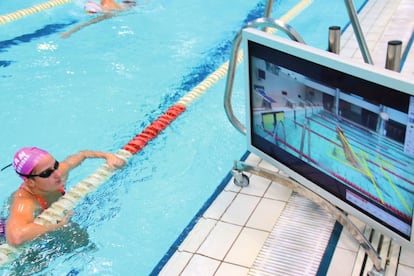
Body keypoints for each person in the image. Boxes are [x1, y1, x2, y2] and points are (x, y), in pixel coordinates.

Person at [5, 147, 125, 246]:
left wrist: (107, 156)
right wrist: (56, 227)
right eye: (47, 173)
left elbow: (83, 154)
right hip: (8, 230)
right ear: (30, 182)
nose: (57, 174)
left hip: (55, 215)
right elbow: (16, 237)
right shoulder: (24, 201)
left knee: (82, 240)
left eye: (55, 165)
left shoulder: (58, 172)